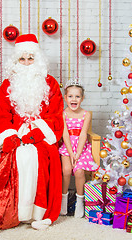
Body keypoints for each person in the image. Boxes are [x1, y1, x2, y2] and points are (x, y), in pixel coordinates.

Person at [0, 34, 64, 232]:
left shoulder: (51, 83)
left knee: (37, 155)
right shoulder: (8, 84)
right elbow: (1, 116)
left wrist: (36, 134)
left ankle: (36, 212)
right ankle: (16, 211)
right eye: (21, 59)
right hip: (15, 132)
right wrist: (10, 136)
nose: (26, 63)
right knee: (18, 155)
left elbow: (56, 115)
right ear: (16, 61)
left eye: (30, 58)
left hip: (40, 134)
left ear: (37, 59)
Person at [59, 81, 98, 218]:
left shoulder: (86, 114)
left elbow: (83, 134)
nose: (73, 99)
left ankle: (80, 201)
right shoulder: (63, 114)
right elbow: (64, 134)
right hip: (67, 146)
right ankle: (63, 200)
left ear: (82, 98)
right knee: (66, 170)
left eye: (77, 97)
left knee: (79, 171)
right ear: (65, 98)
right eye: (70, 96)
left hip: (81, 148)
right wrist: (71, 153)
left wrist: (78, 154)